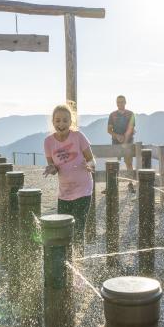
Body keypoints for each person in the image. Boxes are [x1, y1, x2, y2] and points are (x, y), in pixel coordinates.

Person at [43, 104, 95, 256]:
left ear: (71, 122)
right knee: (62, 229)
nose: (61, 124)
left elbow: (92, 160)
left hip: (83, 189)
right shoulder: (48, 142)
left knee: (78, 229)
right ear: (53, 122)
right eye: (58, 120)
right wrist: (51, 169)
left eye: (65, 120)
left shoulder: (78, 136)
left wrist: (90, 165)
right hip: (64, 193)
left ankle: (79, 261)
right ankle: (66, 261)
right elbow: (53, 167)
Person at [107, 95, 136, 193]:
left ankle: (130, 184)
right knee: (113, 164)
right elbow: (109, 130)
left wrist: (124, 137)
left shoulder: (131, 114)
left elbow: (132, 128)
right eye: (118, 102)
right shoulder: (112, 115)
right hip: (115, 142)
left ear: (125, 102)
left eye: (122, 101)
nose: (120, 104)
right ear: (116, 103)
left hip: (128, 142)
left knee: (129, 163)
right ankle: (110, 185)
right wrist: (117, 136)